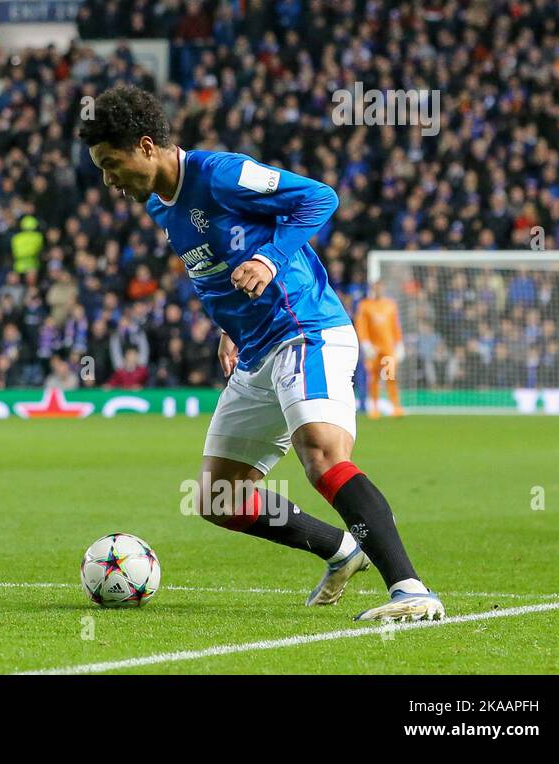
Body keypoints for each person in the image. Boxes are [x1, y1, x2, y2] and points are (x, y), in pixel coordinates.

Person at [81, 84, 443, 622]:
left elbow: (320, 197)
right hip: (254, 351)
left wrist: (271, 260)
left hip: (304, 330)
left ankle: (411, 591)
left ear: (147, 146)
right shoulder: (162, 206)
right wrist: (230, 328)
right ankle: (341, 550)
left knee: (321, 454)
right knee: (218, 498)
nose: (109, 181)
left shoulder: (220, 174)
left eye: (113, 165)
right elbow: (215, 272)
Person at [354, 281, 405, 418]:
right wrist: (365, 344)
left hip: (388, 348)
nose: (378, 290)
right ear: (372, 289)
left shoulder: (390, 305)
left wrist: (399, 343)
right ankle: (374, 407)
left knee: (390, 376)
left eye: (381, 288)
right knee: (373, 377)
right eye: (376, 288)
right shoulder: (365, 305)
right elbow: (361, 326)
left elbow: (395, 326)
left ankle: (396, 406)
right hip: (373, 349)